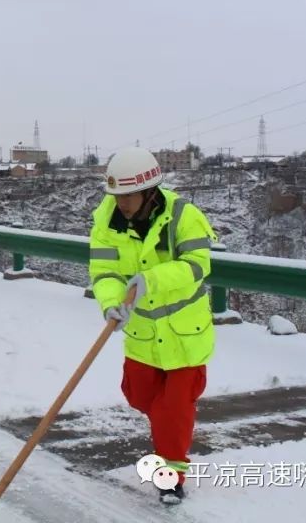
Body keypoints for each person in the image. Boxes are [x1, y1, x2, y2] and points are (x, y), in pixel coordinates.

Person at [89, 146, 218, 505]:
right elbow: (105, 271)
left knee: (174, 409)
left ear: (148, 191)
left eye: (129, 196)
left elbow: (197, 265)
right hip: (142, 335)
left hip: (184, 337)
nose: (122, 203)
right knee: (141, 396)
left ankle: (171, 478)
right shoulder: (105, 221)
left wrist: (152, 279)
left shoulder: (183, 216)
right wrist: (112, 303)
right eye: (117, 196)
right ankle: (168, 430)